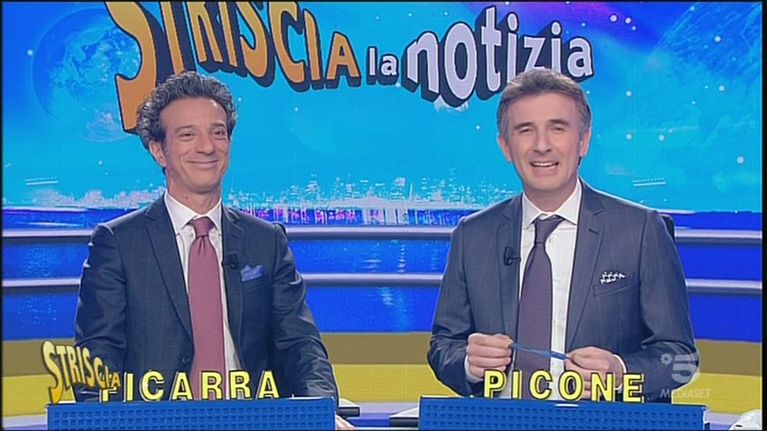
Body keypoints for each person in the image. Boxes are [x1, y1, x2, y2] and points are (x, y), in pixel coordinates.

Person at [74, 71, 353, 429]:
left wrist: (320, 412)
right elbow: (97, 361)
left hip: (254, 422)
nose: (207, 147)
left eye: (218, 132)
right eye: (187, 134)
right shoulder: (118, 243)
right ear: (158, 150)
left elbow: (301, 345)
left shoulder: (265, 241)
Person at [427, 68, 698, 402]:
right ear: (506, 146)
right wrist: (469, 364)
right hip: (500, 421)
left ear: (583, 141)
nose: (542, 146)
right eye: (526, 130)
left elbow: (681, 359)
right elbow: (443, 347)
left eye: (557, 128)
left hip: (603, 422)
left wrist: (621, 372)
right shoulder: (473, 235)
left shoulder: (640, 230)